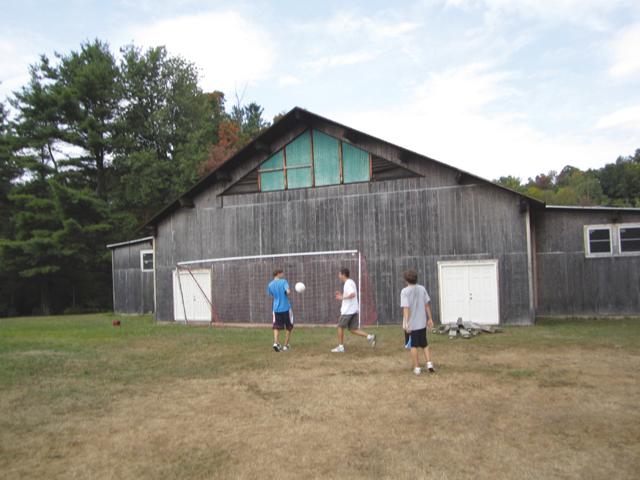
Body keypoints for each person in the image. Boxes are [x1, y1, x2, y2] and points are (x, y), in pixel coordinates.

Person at [331, 267, 376, 352]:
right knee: (352, 329)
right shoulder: (350, 282)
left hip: (348, 310)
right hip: (353, 309)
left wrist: (341, 297)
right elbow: (350, 295)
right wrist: (341, 295)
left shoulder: (348, 283)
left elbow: (352, 294)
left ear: (343, 275)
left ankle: (341, 347)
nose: (339, 276)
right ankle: (370, 337)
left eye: (339, 274)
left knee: (340, 327)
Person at [401, 269, 435, 375]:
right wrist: (430, 318)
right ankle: (429, 364)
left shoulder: (404, 291)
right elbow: (427, 305)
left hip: (412, 324)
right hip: (422, 322)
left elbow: (406, 308)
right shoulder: (422, 288)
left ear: (406, 280)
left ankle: (417, 368)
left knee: (413, 345)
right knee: (424, 343)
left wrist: (407, 323)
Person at [267, 269, 293, 352]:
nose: (282, 274)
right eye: (281, 273)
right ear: (278, 274)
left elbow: (271, 294)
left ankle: (276, 343)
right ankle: (285, 346)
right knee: (289, 326)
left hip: (276, 308)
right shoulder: (284, 281)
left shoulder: (270, 284)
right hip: (285, 307)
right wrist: (287, 292)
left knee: (276, 327)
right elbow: (288, 292)